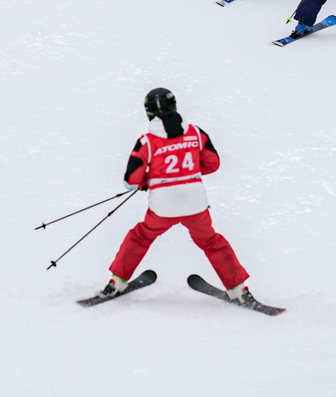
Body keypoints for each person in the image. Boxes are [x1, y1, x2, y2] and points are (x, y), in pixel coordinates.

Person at [92, 88, 258, 307]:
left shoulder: (147, 141)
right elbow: (213, 163)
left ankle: (117, 282)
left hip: (163, 207)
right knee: (211, 242)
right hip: (195, 205)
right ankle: (238, 288)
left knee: (140, 237)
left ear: (148, 112)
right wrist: (185, 174)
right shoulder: (196, 133)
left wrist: (149, 180)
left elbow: (132, 180)